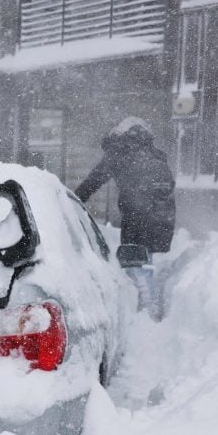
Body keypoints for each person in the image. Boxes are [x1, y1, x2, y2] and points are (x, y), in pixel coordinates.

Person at [75, 117, 176, 317]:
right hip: (160, 215)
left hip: (135, 214)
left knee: (132, 260)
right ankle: (150, 300)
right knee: (146, 256)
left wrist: (74, 199)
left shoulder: (118, 152)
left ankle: (141, 305)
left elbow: (93, 181)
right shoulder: (155, 153)